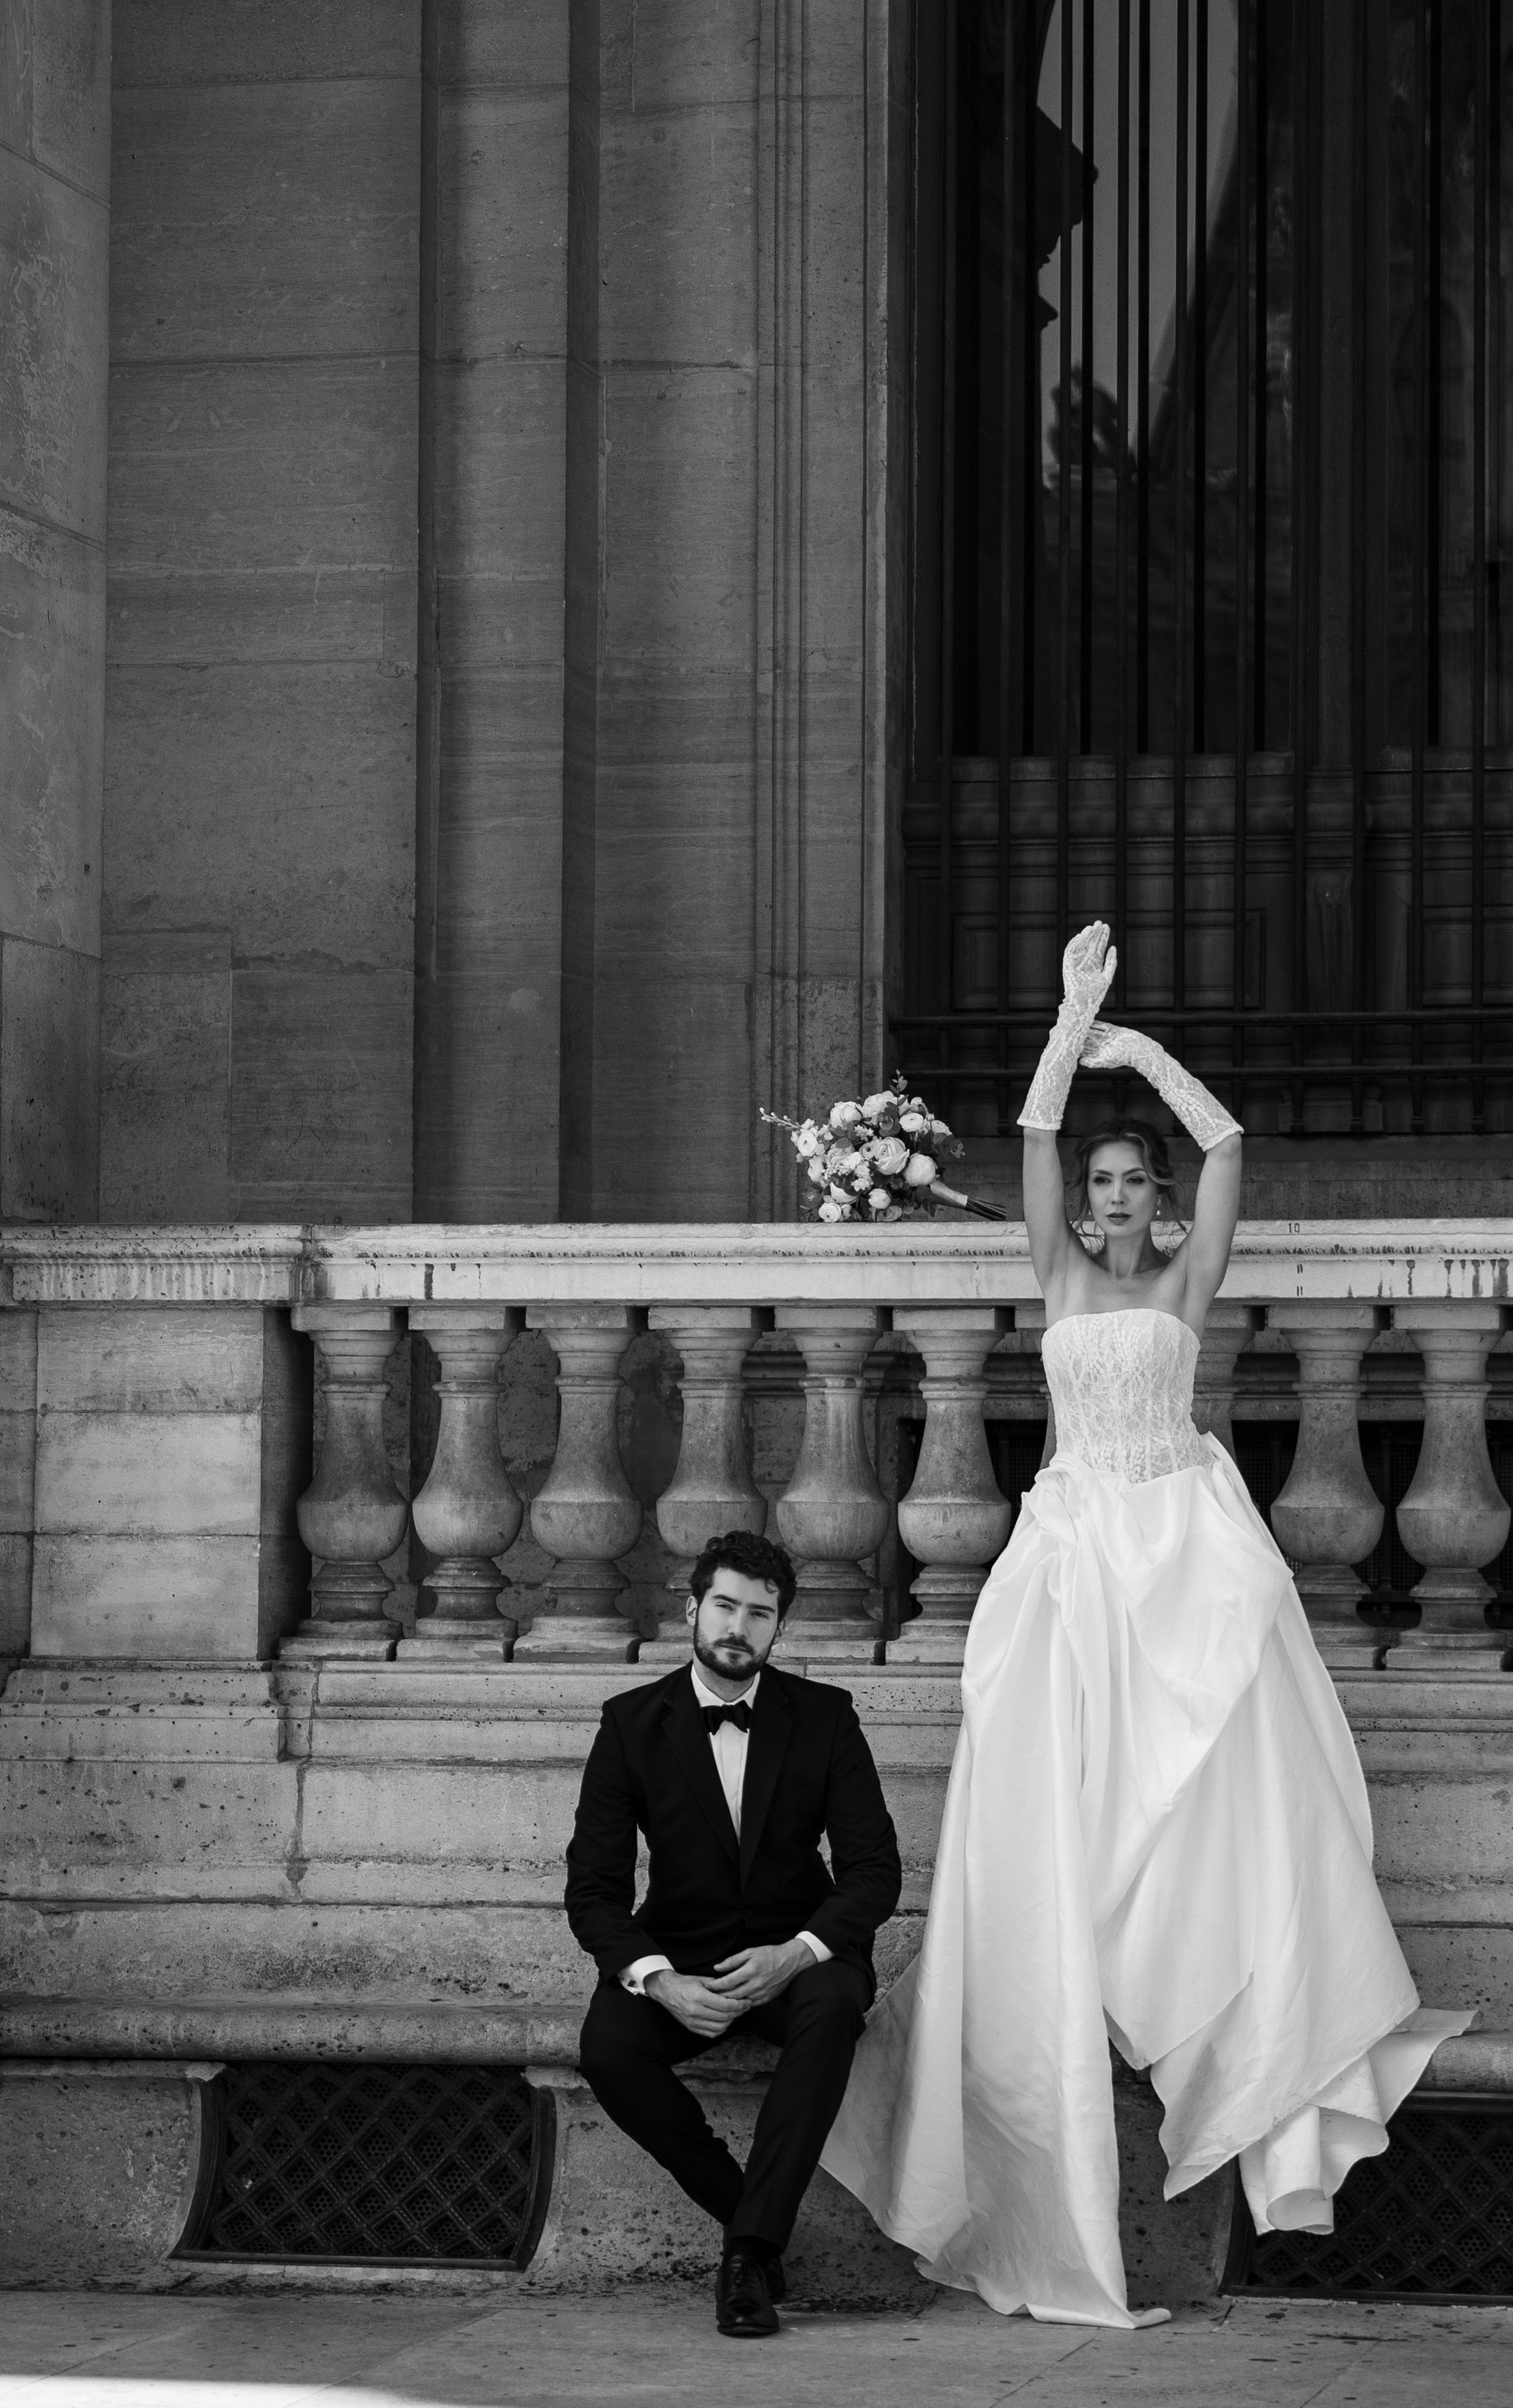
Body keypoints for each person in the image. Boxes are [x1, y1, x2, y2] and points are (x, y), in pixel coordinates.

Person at [823, 922, 1468, 2328]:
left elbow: (1230, 1146)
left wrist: (1146, 1056)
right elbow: (1035, 1135)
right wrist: (1069, 1024)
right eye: (1101, 1183)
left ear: (1155, 1202)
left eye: (1129, 1183)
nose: (1110, 1199)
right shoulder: (1053, 1271)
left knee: (1218, 1800)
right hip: (1073, 1557)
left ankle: (1228, 2019)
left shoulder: (1183, 1284)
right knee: (1068, 1808)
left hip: (1186, 1548)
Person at [565, 1528, 902, 2340]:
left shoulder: (824, 1717)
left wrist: (799, 1953)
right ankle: (739, 2206)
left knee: (831, 2010)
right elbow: (594, 1890)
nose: (739, 1627)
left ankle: (747, 2255)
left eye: (760, 1613)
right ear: (692, 1610)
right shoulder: (630, 1723)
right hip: (684, 1955)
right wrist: (659, 1979)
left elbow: (873, 1870)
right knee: (609, 2048)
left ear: (778, 1628)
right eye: (725, 1606)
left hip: (799, 1957)